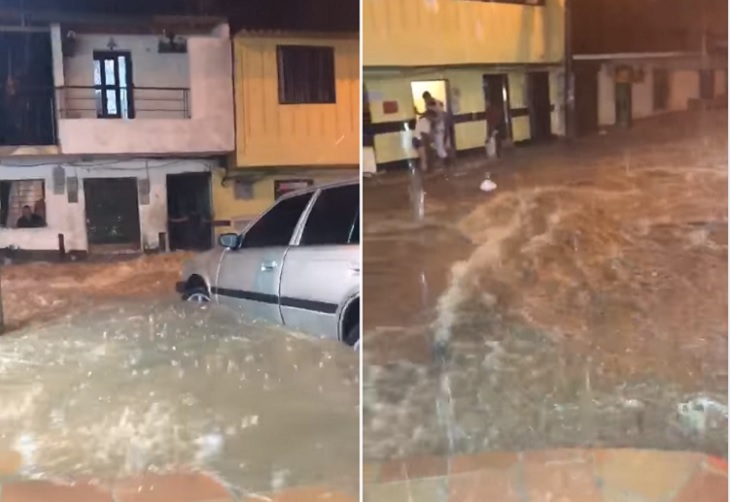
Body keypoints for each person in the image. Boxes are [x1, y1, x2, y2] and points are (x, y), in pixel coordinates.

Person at [422, 91, 449, 161]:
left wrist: (434, 121)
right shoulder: (435, 103)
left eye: (425, 99)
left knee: (439, 148)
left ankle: (447, 161)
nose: (425, 101)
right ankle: (445, 161)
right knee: (437, 146)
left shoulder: (433, 104)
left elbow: (438, 116)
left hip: (438, 128)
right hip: (438, 127)